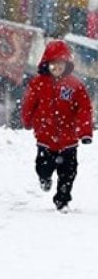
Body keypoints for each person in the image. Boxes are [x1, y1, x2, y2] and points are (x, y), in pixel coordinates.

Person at [20, 39, 93, 211]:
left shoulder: (75, 86)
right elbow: (29, 104)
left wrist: (85, 132)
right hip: (45, 137)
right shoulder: (38, 84)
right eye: (53, 65)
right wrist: (27, 120)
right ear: (47, 64)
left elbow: (84, 109)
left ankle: (62, 200)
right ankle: (45, 178)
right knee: (43, 166)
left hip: (69, 139)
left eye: (60, 64)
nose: (56, 68)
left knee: (68, 173)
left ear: (66, 65)